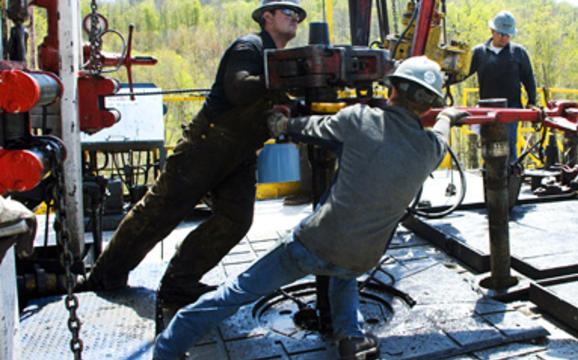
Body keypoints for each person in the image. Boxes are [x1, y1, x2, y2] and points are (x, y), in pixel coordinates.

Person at [152, 56, 470, 360]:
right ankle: (350, 338)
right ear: (430, 104)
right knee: (343, 272)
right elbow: (441, 133)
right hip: (363, 258)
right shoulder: (431, 150)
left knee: (240, 290)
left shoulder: (360, 119)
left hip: (315, 244)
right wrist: (446, 117)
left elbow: (306, 128)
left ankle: (167, 347)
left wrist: (281, 122)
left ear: (392, 90)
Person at [79, 0, 307, 308]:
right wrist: (285, 80)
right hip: (205, 145)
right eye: (288, 13)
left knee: (235, 219)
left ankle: (179, 282)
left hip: (239, 155)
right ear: (267, 17)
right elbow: (238, 88)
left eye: (299, 16)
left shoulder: (279, 61)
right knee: (160, 213)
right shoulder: (250, 47)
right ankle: (105, 277)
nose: (296, 19)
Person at [467, 10, 537, 163]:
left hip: (511, 109)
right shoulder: (479, 53)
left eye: (507, 35)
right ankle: (490, 176)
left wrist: (532, 101)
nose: (504, 38)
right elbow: (463, 73)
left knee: (509, 145)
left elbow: (529, 79)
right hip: (487, 109)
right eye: (501, 34)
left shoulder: (518, 53)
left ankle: (511, 175)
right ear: (492, 31)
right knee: (489, 146)